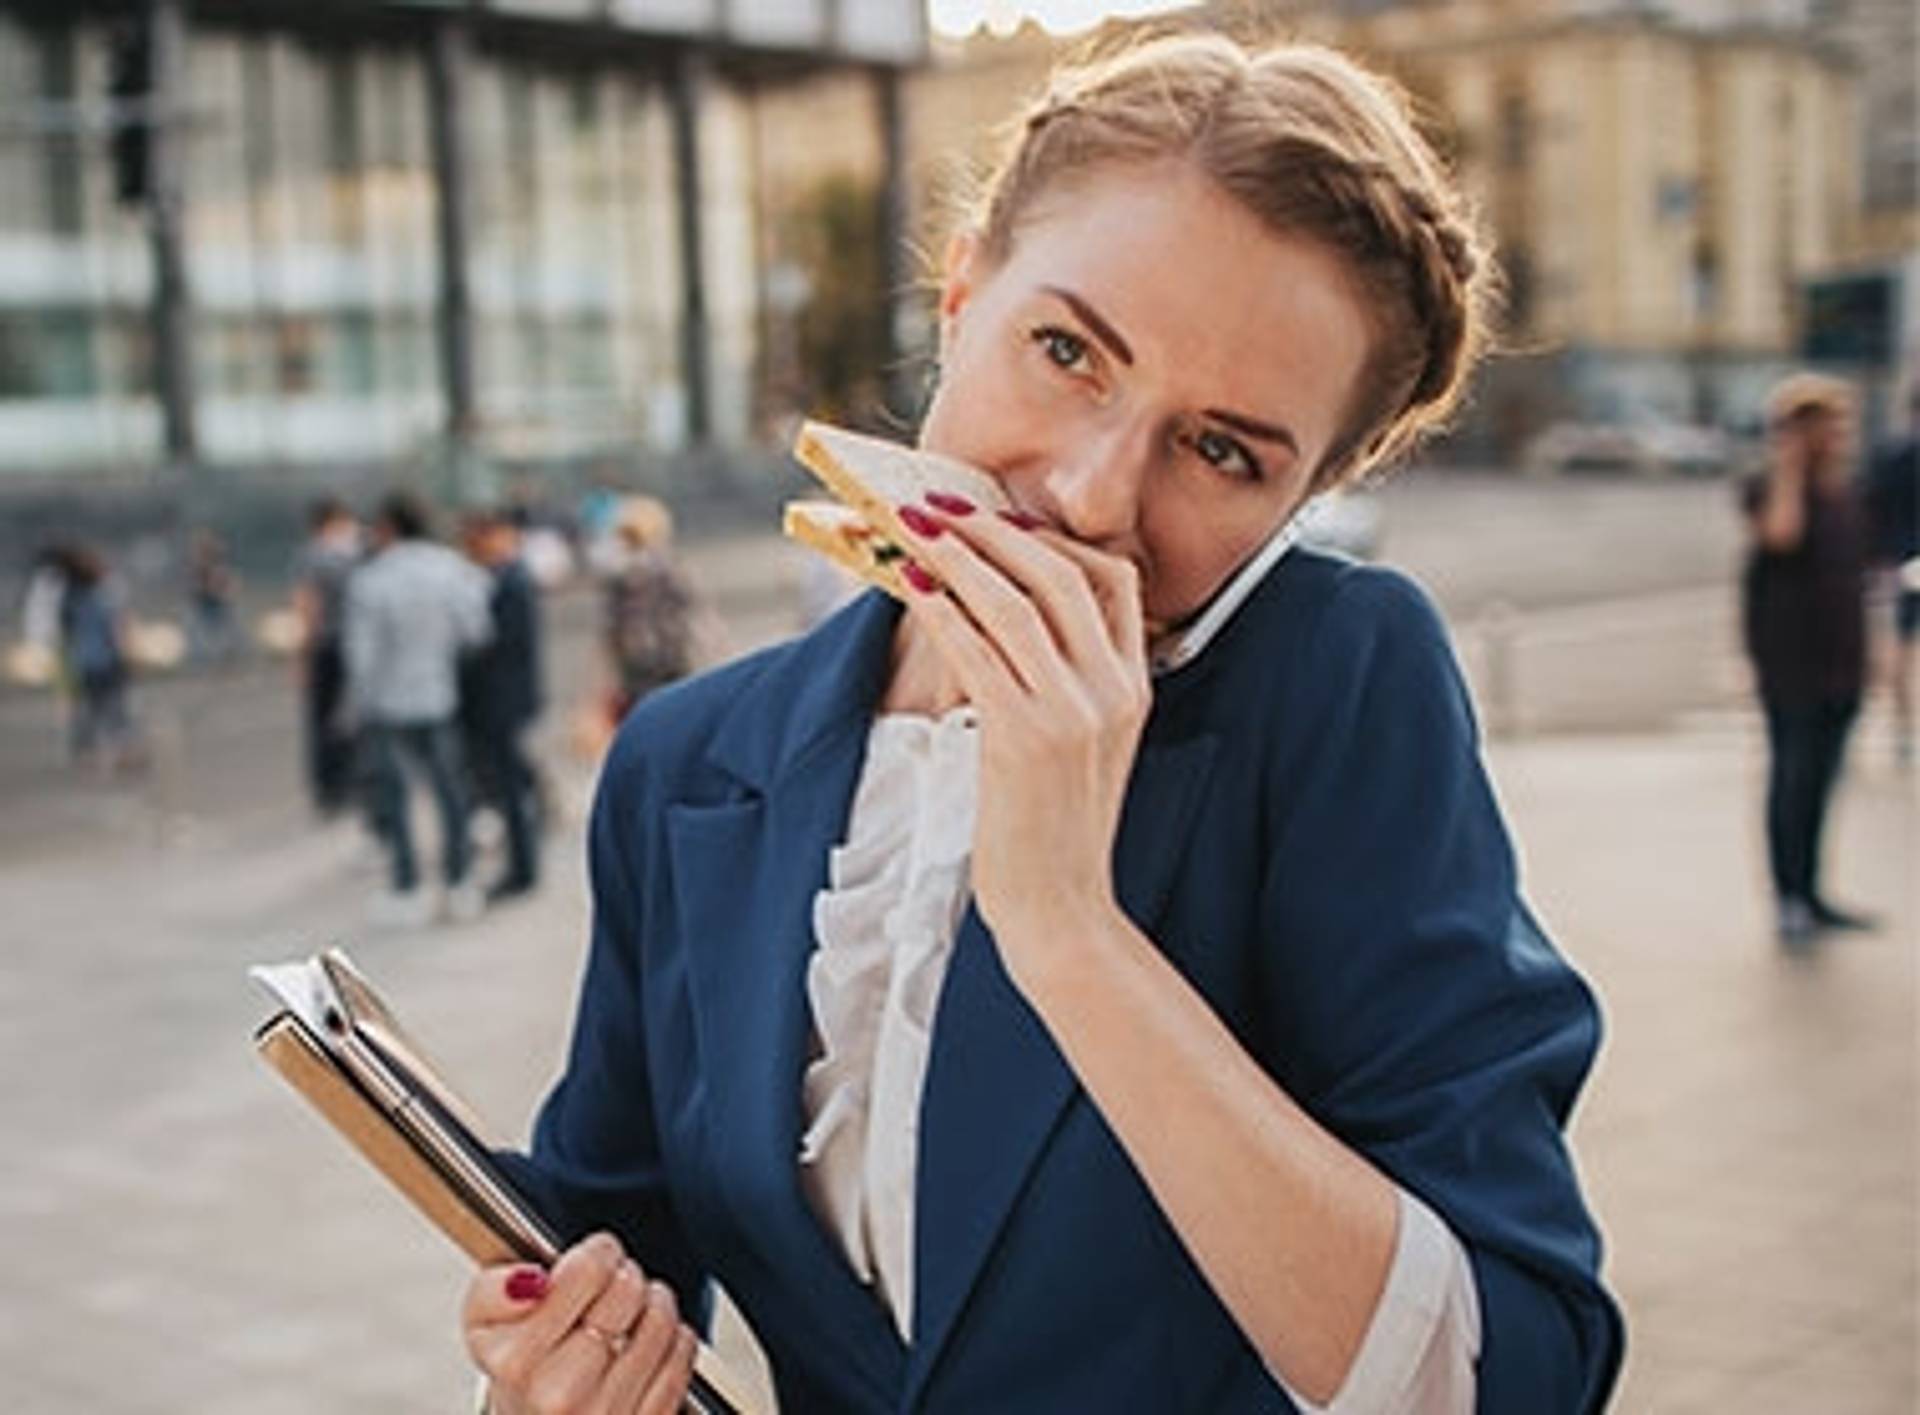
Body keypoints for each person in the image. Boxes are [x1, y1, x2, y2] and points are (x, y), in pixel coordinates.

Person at [462, 35, 1622, 1415]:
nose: (1088, 496)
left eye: (1224, 450)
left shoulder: (1337, 685)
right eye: (1067, 349)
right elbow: (619, 1251)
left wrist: (1068, 923)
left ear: (1303, 499)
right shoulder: (687, 763)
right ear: (961, 298)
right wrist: (552, 1373)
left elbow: (1517, 1369)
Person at [1740, 372, 1877, 943]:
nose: (1838, 437)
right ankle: (1788, 897)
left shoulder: (1847, 493)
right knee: (1792, 780)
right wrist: (1789, 467)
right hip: (1790, 665)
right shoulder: (1767, 487)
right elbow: (1780, 536)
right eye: (1825, 427)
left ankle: (1815, 894)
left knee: (1823, 782)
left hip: (1841, 661)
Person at [344, 491, 492, 927]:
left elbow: (362, 655)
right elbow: (476, 630)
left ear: (389, 527)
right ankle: (459, 882)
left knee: (398, 796)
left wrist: (359, 703)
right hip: (438, 693)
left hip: (389, 702)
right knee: (450, 791)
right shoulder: (451, 569)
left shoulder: (372, 580)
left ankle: (408, 888)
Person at [460, 508, 546, 902]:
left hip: (502, 700)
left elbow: (501, 645)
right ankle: (522, 860)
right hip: (506, 698)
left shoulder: (511, 581)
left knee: (511, 786)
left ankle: (523, 868)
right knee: (512, 782)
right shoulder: (505, 578)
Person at [292, 498, 363, 816]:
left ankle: (330, 790)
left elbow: (307, 606)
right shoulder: (354, 554)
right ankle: (347, 786)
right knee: (348, 719)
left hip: (328, 647)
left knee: (324, 721)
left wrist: (303, 655)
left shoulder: (314, 556)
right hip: (350, 646)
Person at [601, 495, 698, 723]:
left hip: (634, 660)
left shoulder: (618, 571)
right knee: (676, 718)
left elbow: (610, 625)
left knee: (645, 718)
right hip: (670, 654)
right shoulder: (669, 566)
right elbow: (692, 610)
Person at [1865, 382, 1919, 766]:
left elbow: (1872, 508)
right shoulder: (1894, 455)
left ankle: (1903, 731)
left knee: (1901, 646)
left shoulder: (1891, 455)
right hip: (1907, 559)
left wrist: (1880, 559)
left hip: (1904, 560)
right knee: (1900, 648)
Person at [56, 543, 145, 775]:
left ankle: (90, 754)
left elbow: (66, 637)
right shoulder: (101, 597)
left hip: (83, 662)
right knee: (115, 709)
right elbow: (118, 628)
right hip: (107, 661)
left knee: (90, 711)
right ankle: (123, 752)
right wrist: (131, 656)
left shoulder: (69, 598)